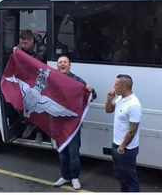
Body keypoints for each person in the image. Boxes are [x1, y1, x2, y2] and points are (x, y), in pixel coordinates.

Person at [53, 55, 97, 190]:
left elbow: (93, 95)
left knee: (73, 152)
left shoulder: (76, 81)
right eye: (60, 62)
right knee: (62, 152)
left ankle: (74, 177)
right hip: (58, 123)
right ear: (57, 66)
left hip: (73, 124)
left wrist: (90, 90)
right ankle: (65, 176)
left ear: (69, 65)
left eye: (65, 62)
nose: (62, 64)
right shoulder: (52, 80)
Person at [105, 74, 142, 192]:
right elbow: (109, 110)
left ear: (124, 87)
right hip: (116, 146)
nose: (113, 87)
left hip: (127, 150)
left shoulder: (134, 104)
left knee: (130, 180)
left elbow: (132, 130)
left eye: (116, 85)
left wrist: (121, 148)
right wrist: (109, 100)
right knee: (121, 177)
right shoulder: (121, 98)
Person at [13, 29, 47, 143]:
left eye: (25, 43)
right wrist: (16, 50)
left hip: (40, 80)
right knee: (18, 103)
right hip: (26, 79)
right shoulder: (21, 47)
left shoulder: (42, 48)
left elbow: (34, 64)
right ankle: (29, 123)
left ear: (32, 41)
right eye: (21, 43)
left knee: (37, 105)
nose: (23, 45)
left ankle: (39, 131)